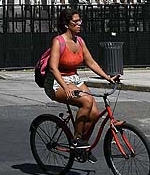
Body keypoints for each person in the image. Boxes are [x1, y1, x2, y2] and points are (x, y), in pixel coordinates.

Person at [44, 9, 120, 162]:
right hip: (56, 82)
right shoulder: (58, 41)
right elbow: (53, 67)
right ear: (67, 24)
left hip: (74, 79)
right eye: (76, 21)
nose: (80, 24)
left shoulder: (79, 41)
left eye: (80, 21)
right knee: (86, 101)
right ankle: (77, 140)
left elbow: (90, 62)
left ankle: (83, 145)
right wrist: (65, 88)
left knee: (94, 113)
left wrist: (107, 77)